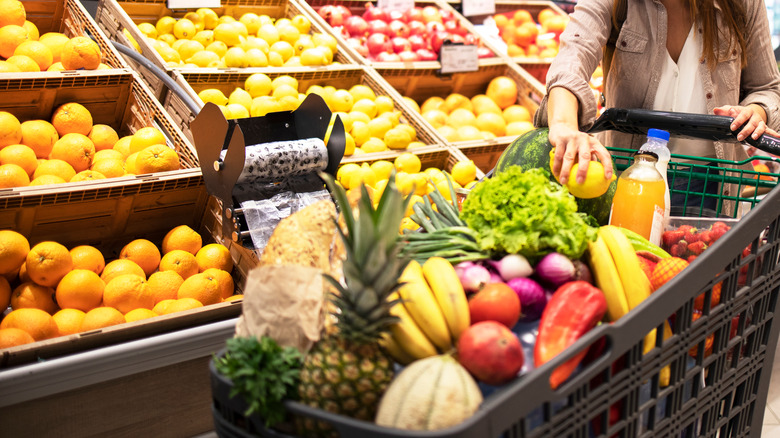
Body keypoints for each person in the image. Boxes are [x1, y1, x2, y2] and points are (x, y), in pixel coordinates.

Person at [534, 0, 780, 212]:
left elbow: (767, 88)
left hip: (709, 185)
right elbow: (574, 54)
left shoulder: (741, 3)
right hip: (625, 178)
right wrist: (565, 125)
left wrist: (755, 113)